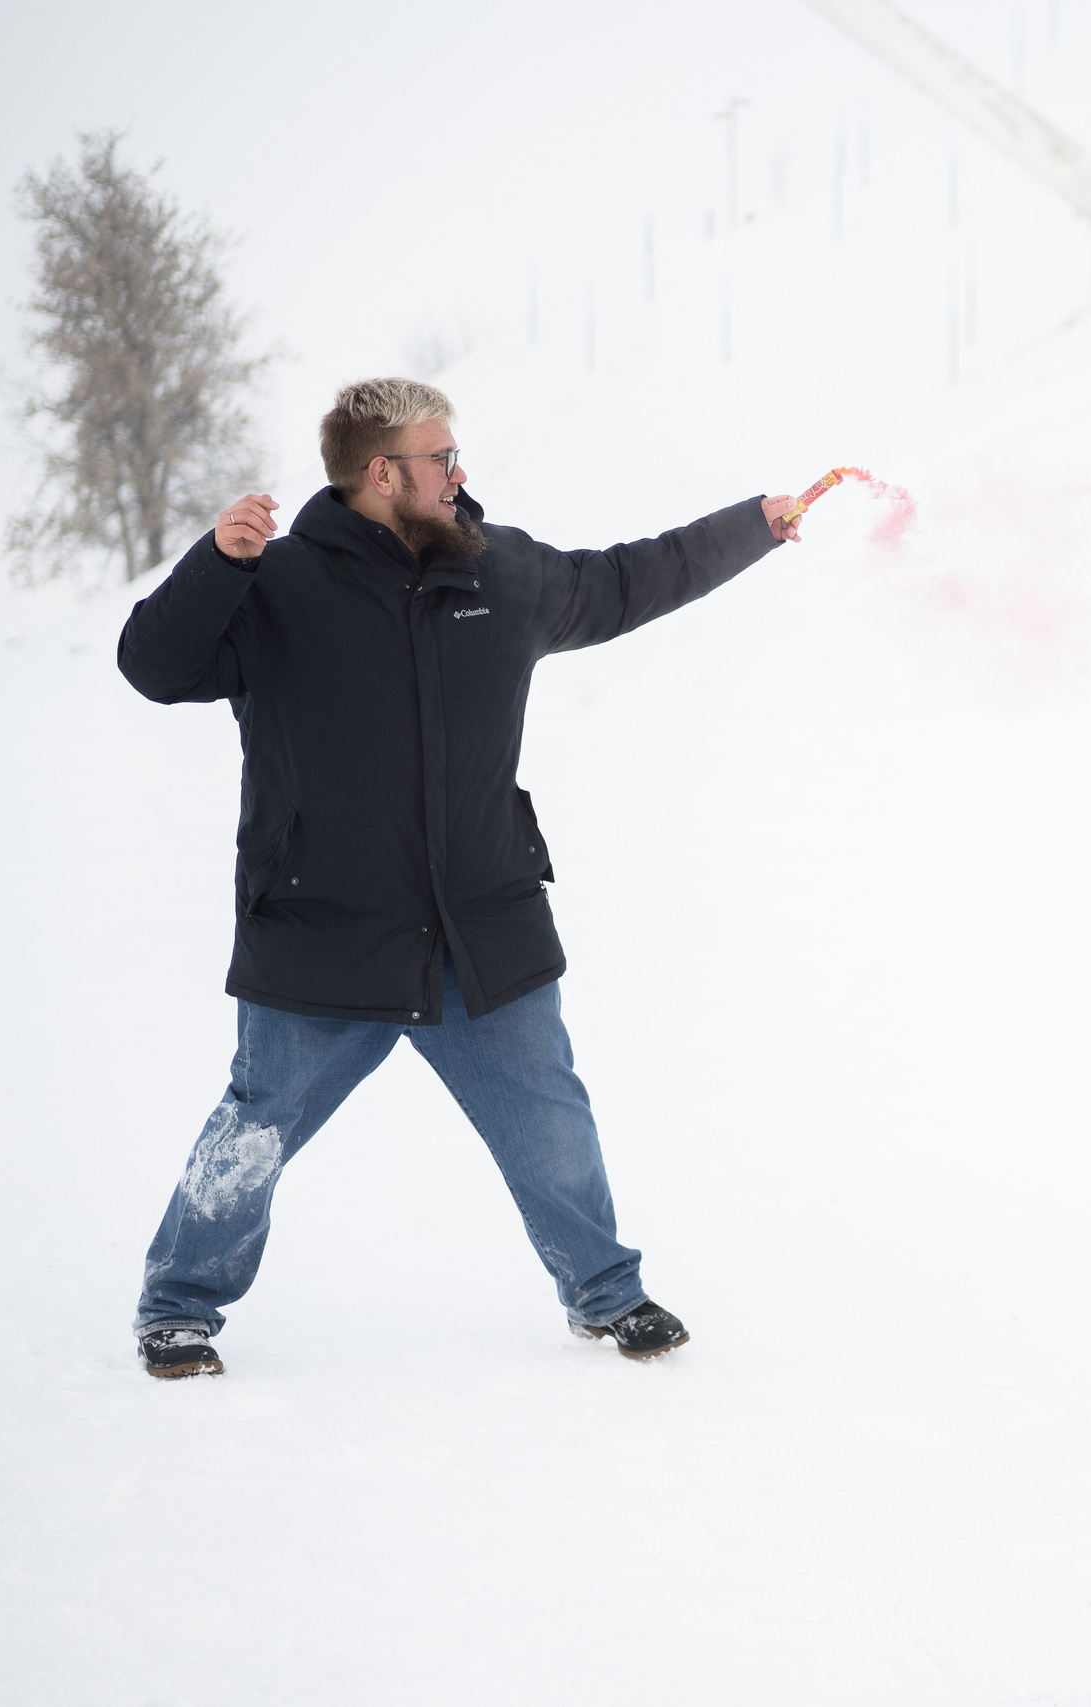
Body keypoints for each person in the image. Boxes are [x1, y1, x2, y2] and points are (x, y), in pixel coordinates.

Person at [119, 377, 810, 1378]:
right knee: (255, 1127)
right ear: (379, 473)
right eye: (440, 458)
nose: (458, 473)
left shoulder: (503, 572)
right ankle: (178, 1306)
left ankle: (606, 1292)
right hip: (324, 926)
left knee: (550, 1121)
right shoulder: (273, 586)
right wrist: (214, 565)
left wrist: (752, 526)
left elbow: (625, 581)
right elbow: (153, 665)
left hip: (480, 922)